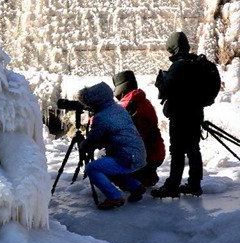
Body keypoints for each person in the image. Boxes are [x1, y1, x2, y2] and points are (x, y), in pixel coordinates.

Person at [76, 82, 147, 210]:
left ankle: (115, 197)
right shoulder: (118, 108)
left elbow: (93, 140)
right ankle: (136, 187)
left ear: (94, 102)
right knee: (110, 167)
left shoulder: (102, 117)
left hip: (127, 157)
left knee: (92, 168)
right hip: (138, 154)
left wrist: (83, 145)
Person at [151, 31, 205, 198]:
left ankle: (173, 186)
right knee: (194, 150)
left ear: (174, 48)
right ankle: (195, 185)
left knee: (178, 151)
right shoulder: (196, 63)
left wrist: (160, 82)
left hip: (180, 116)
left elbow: (167, 90)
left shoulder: (178, 66)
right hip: (196, 114)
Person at [113, 70, 165, 187]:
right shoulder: (144, 101)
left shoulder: (127, 106)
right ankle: (147, 175)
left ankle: (136, 178)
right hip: (157, 152)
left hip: (143, 156)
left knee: (106, 162)